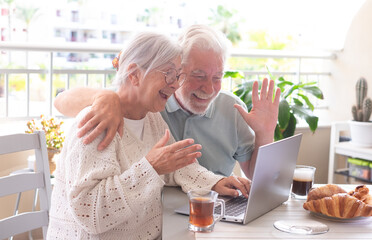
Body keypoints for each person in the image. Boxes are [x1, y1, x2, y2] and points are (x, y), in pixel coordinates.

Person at [47, 31, 251, 240]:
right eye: (169, 74)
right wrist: (151, 167)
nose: (175, 84)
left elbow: (178, 166)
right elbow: (89, 213)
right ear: (134, 74)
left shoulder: (152, 119)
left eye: (178, 75)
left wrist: (216, 183)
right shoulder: (98, 121)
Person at [54, 24, 280, 179]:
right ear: (177, 69)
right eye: (199, 76)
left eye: (217, 77)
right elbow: (61, 101)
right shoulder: (151, 100)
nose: (209, 88)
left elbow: (255, 175)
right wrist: (105, 97)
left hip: (212, 211)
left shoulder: (231, 108)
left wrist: (264, 133)